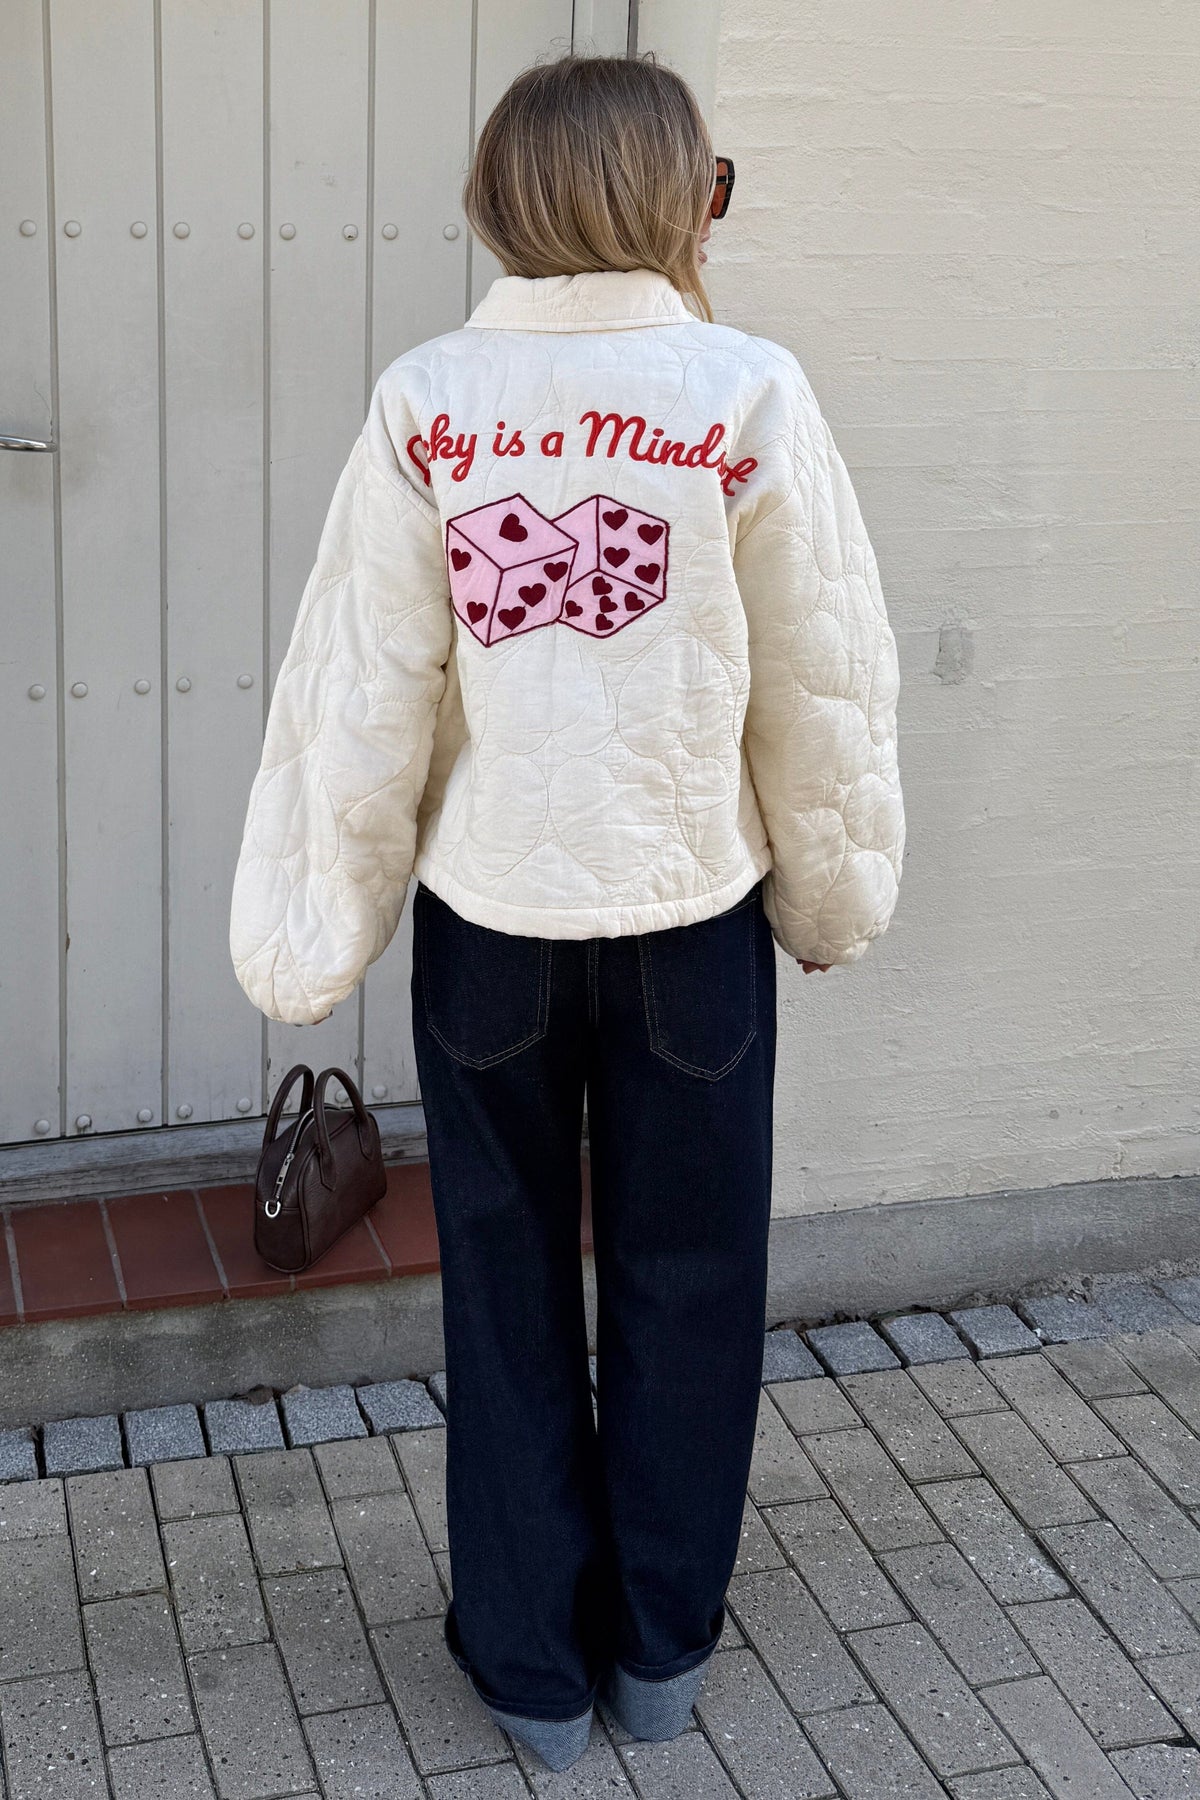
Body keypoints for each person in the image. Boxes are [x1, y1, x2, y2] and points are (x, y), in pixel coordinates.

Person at [229, 51, 905, 1774]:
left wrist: (314, 933)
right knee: (693, 1280)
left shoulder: (430, 401)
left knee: (503, 1281)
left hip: (493, 922)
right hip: (692, 920)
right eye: (716, 185)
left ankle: (531, 1672)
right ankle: (659, 1654)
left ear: (502, 200)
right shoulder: (746, 394)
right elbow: (822, 681)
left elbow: (364, 690)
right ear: (682, 198)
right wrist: (831, 898)